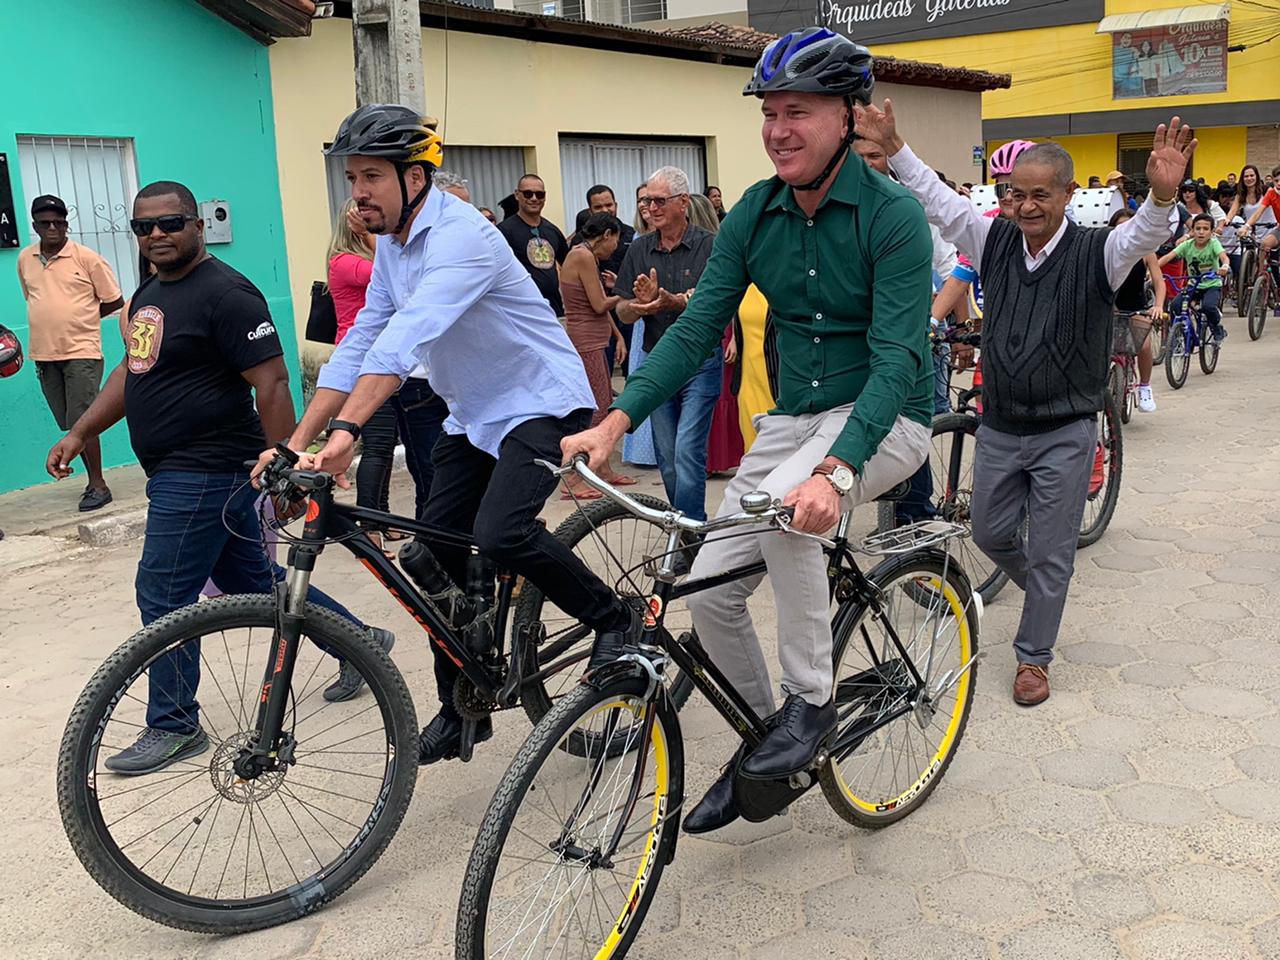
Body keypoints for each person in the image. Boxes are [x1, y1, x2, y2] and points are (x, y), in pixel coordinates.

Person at [564, 28, 934, 834]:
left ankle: (812, 704)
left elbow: (900, 360)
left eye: (797, 111)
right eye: (769, 113)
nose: (777, 130)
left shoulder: (893, 216)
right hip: (791, 424)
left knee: (781, 511)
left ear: (847, 116)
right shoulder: (756, 214)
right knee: (713, 597)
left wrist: (834, 476)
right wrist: (614, 419)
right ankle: (776, 744)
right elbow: (695, 331)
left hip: (886, 417)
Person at [259, 104, 642, 765]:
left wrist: (349, 428)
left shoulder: (461, 235)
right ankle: (463, 708)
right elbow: (362, 339)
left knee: (500, 534)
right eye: (351, 178)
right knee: (431, 557)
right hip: (473, 413)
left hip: (540, 402)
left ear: (415, 177)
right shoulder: (394, 248)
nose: (357, 193)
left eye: (371, 177)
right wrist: (300, 439)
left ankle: (616, 619)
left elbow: (409, 338)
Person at [44, 180, 392, 774]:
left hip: (206, 470)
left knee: (164, 593)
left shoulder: (228, 294)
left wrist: (280, 466)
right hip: (177, 470)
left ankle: (174, 723)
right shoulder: (152, 289)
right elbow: (134, 371)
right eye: (144, 226)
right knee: (254, 583)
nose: (157, 234)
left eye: (170, 223)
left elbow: (273, 384)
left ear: (197, 225)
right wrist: (81, 431)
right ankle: (361, 640)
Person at [860, 101, 1197, 707]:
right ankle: (1047, 587)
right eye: (1017, 194)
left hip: (1066, 427)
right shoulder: (992, 239)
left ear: (1066, 195)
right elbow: (942, 202)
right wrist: (897, 146)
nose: (1026, 206)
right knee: (989, 531)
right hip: (1001, 422)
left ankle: (1033, 656)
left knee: (1050, 546)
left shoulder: (1099, 251)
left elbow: (1144, 234)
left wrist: (1162, 196)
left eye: (1040, 195)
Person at [613, 166, 719, 520]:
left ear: (683, 202)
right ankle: (683, 525)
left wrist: (673, 301)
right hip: (657, 361)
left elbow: (712, 302)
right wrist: (639, 306)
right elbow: (624, 311)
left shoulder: (709, 244)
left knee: (688, 450)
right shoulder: (639, 249)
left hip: (700, 362)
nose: (651, 208)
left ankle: (690, 532)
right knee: (667, 456)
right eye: (646, 201)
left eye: (659, 200)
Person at [18, 194, 124, 512]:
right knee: (68, 421)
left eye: (59, 222)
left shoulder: (86, 258)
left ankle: (97, 484)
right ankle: (78, 470)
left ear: (66, 224)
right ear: (35, 225)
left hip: (82, 350)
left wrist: (82, 316)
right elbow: (33, 297)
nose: (52, 227)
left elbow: (114, 301)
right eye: (45, 222)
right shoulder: (25, 259)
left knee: (83, 419)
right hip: (45, 354)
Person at [328, 199, 403, 556]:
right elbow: (389, 273)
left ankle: (381, 519)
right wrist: (373, 236)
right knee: (376, 447)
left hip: (382, 359)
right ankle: (369, 529)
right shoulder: (344, 263)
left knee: (385, 446)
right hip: (362, 364)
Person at [559, 212, 633, 492]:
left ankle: (603, 469)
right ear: (607, 235)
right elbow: (600, 304)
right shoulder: (583, 256)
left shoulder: (585, 255)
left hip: (595, 339)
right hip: (586, 342)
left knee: (601, 402)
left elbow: (598, 307)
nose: (615, 248)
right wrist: (628, 295)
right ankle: (574, 480)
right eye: (615, 241)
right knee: (595, 409)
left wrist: (617, 336)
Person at [1110, 208, 1166, 412]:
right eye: (1119, 227)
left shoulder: (1146, 251)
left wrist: (1158, 306)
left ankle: (1145, 386)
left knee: (1143, 346)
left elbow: (1159, 282)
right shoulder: (1107, 250)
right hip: (1110, 306)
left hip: (1136, 306)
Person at [622, 185, 658, 470]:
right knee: (642, 380)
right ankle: (643, 452)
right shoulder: (637, 240)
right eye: (642, 200)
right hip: (643, 320)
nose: (647, 205)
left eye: (653, 199)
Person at [498, 174, 569, 316]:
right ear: (517, 195)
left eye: (539, 194)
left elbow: (568, 265)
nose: (534, 198)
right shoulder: (504, 231)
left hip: (553, 310)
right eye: (528, 194)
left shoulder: (552, 230)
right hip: (521, 312)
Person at [1158, 213, 1231, 343]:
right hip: (1193, 285)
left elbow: (1224, 257)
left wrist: (1224, 266)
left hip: (1212, 285)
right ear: (1192, 231)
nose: (1201, 232)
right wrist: (1152, 270)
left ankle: (1216, 327)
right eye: (1198, 229)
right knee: (1176, 305)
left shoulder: (1213, 244)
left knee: (1208, 307)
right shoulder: (1187, 245)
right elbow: (1168, 257)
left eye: (1205, 229)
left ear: (1211, 232)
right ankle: (1182, 332)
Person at [1240, 164, 1280, 268]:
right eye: (1276, 181)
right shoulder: (1271, 193)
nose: (1279, 184)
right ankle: (1262, 273)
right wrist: (1247, 226)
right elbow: (1258, 212)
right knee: (1264, 245)